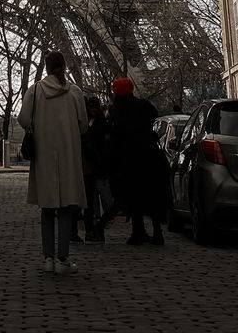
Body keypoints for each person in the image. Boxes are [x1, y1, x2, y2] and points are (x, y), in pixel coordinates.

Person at [18, 50, 88, 276]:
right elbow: (84, 126)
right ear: (64, 66)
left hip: (45, 155)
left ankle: (47, 257)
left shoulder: (35, 90)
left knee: (47, 209)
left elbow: (23, 119)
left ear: (46, 67)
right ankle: (63, 257)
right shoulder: (75, 92)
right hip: (68, 155)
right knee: (67, 208)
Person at [104, 77, 169, 245]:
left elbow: (115, 137)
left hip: (129, 159)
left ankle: (138, 231)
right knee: (153, 194)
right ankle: (157, 231)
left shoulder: (117, 112)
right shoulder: (143, 105)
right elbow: (154, 114)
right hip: (150, 155)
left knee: (133, 196)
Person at [81, 96, 112, 243]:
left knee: (100, 198)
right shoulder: (94, 122)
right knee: (91, 200)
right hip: (92, 166)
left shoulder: (98, 123)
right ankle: (93, 229)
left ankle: (97, 227)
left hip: (96, 166)